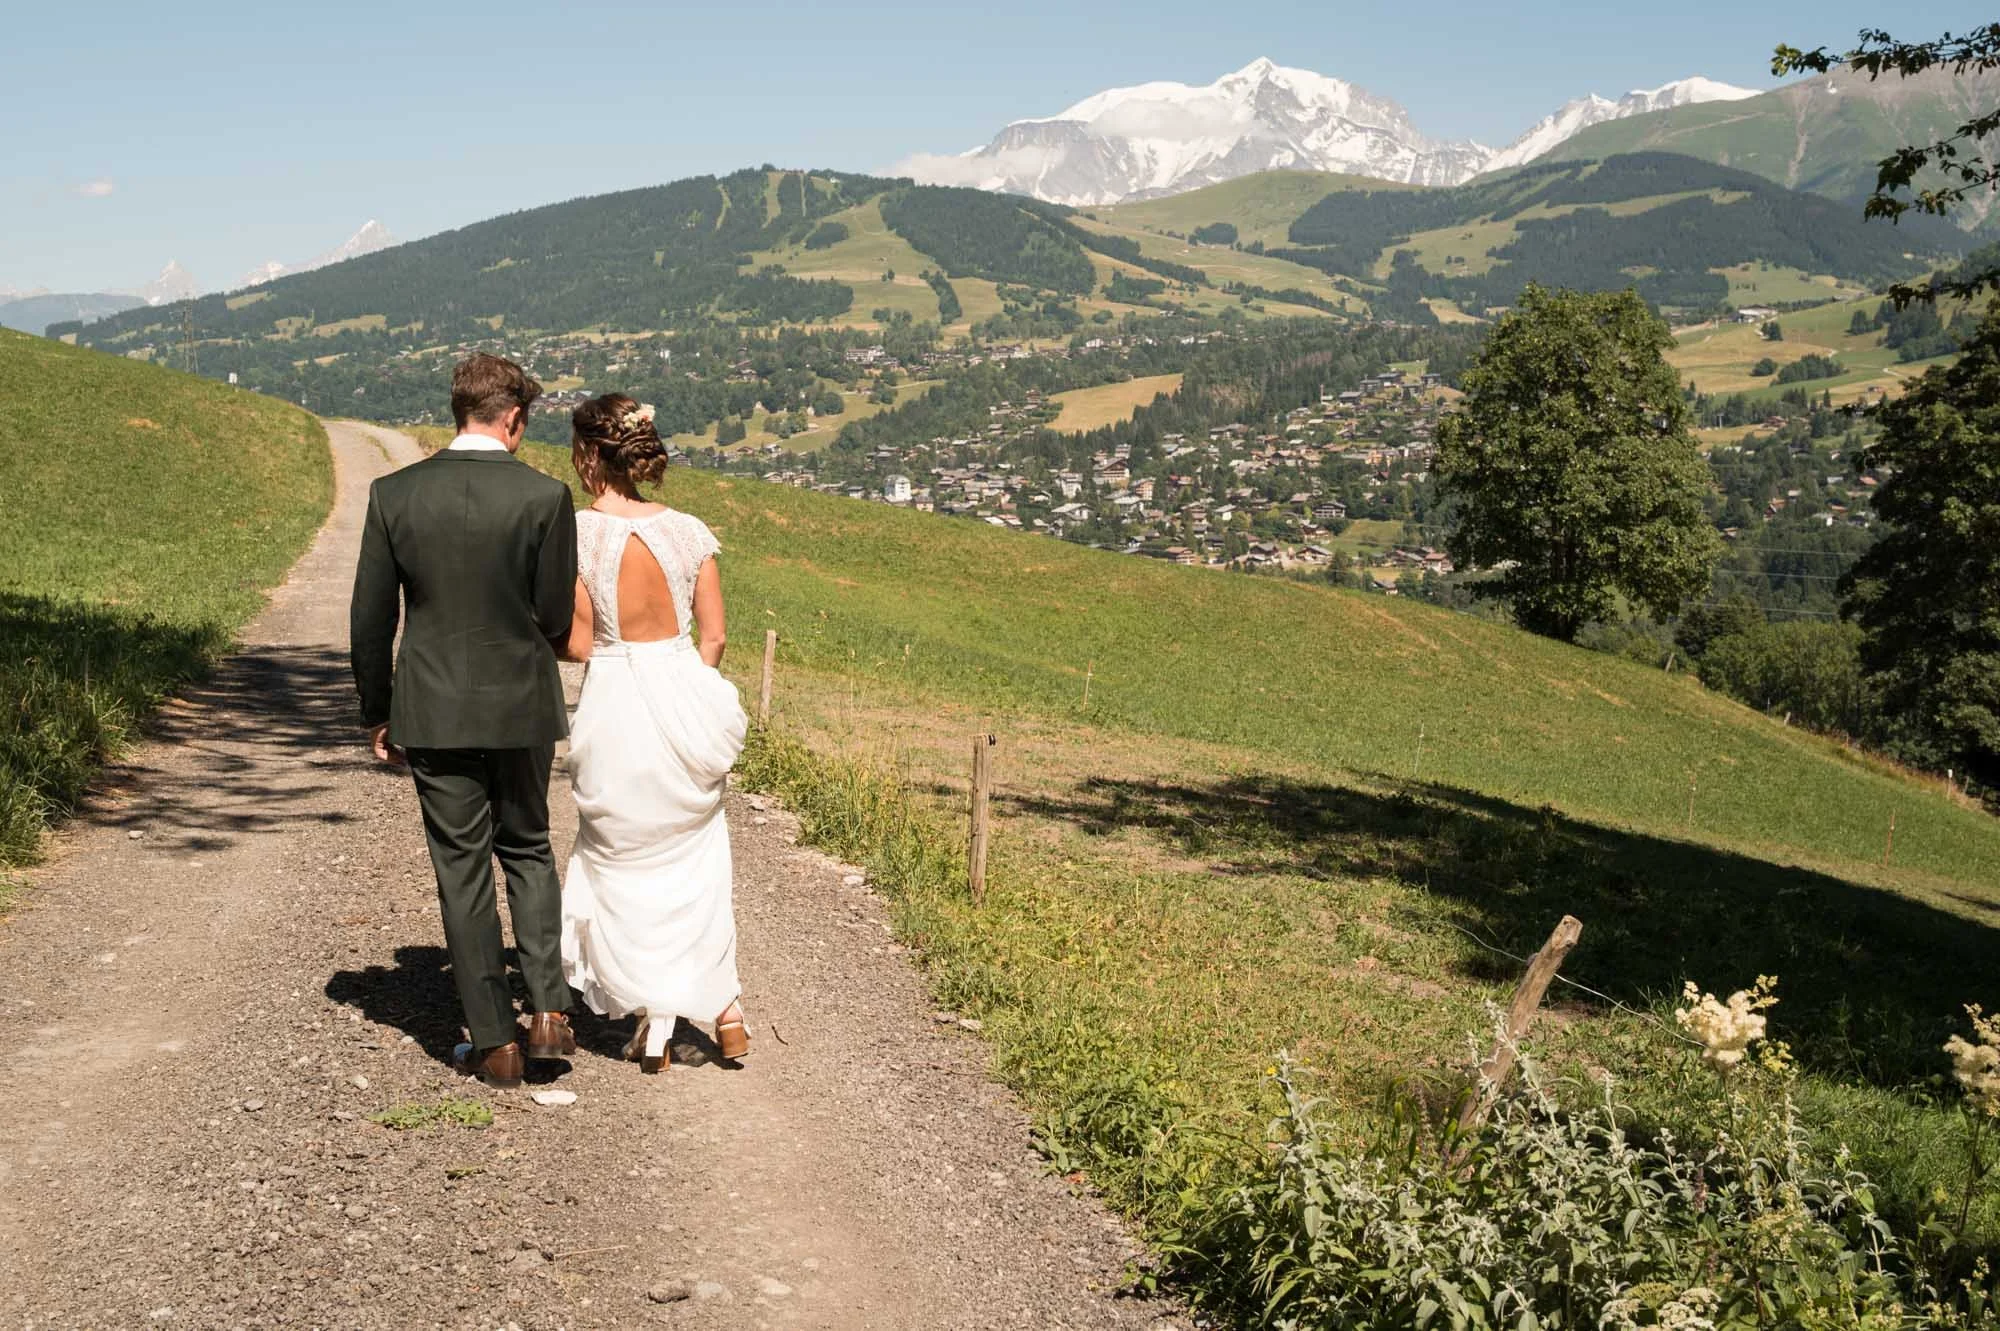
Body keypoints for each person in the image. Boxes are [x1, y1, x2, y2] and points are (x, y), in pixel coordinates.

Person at [349, 354, 580, 1089]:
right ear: (512, 418)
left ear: (461, 409)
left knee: (462, 868)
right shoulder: (546, 497)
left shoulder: (393, 494)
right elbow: (552, 616)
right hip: (522, 704)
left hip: (434, 708)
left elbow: (369, 619)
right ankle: (547, 1011)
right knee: (530, 849)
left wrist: (377, 710)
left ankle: (492, 1041)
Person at [557, 393, 749, 1073]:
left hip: (616, 700)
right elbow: (716, 633)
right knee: (693, 860)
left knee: (621, 860)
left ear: (587, 454)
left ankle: (652, 1014)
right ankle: (724, 1010)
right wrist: (687, 691)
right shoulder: (690, 531)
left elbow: (580, 644)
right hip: (681, 696)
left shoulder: (577, 534)